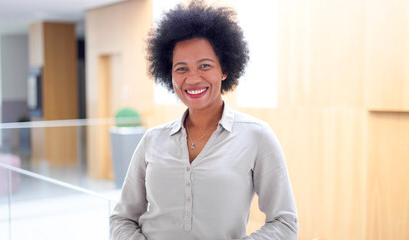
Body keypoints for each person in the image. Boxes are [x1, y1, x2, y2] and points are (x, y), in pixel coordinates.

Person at [110, 1, 298, 239]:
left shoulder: (257, 136)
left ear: (224, 69)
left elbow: (284, 222)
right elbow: (122, 218)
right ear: (170, 75)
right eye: (181, 68)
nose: (193, 78)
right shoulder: (152, 140)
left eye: (205, 65)